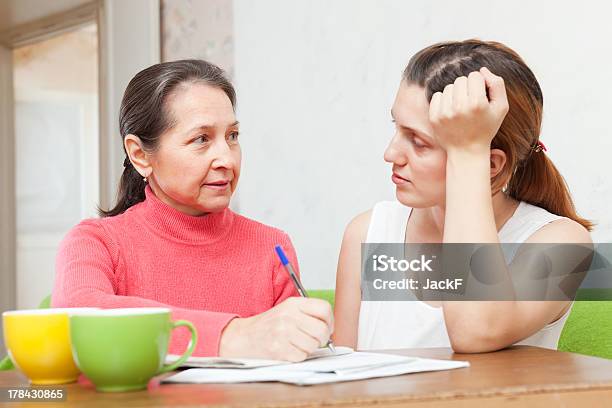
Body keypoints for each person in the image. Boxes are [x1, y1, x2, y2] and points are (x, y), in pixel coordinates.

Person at [52, 60, 333, 361]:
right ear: (140, 155)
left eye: (232, 136)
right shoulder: (97, 242)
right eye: (201, 139)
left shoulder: (272, 246)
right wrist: (231, 337)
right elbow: (79, 316)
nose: (226, 158)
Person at [333, 40, 592, 353]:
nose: (391, 154)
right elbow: (341, 379)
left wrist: (469, 154)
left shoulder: (563, 244)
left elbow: (474, 332)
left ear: (491, 165)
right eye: (397, 128)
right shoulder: (367, 232)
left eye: (418, 142)